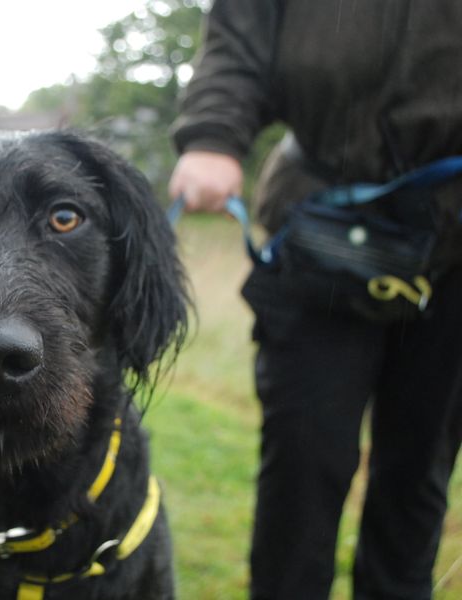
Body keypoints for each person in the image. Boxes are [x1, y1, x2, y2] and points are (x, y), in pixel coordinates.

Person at [168, 1, 462, 598]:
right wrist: (213, 136)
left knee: (418, 475)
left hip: (454, 245)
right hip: (319, 229)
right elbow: (237, 42)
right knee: (301, 470)